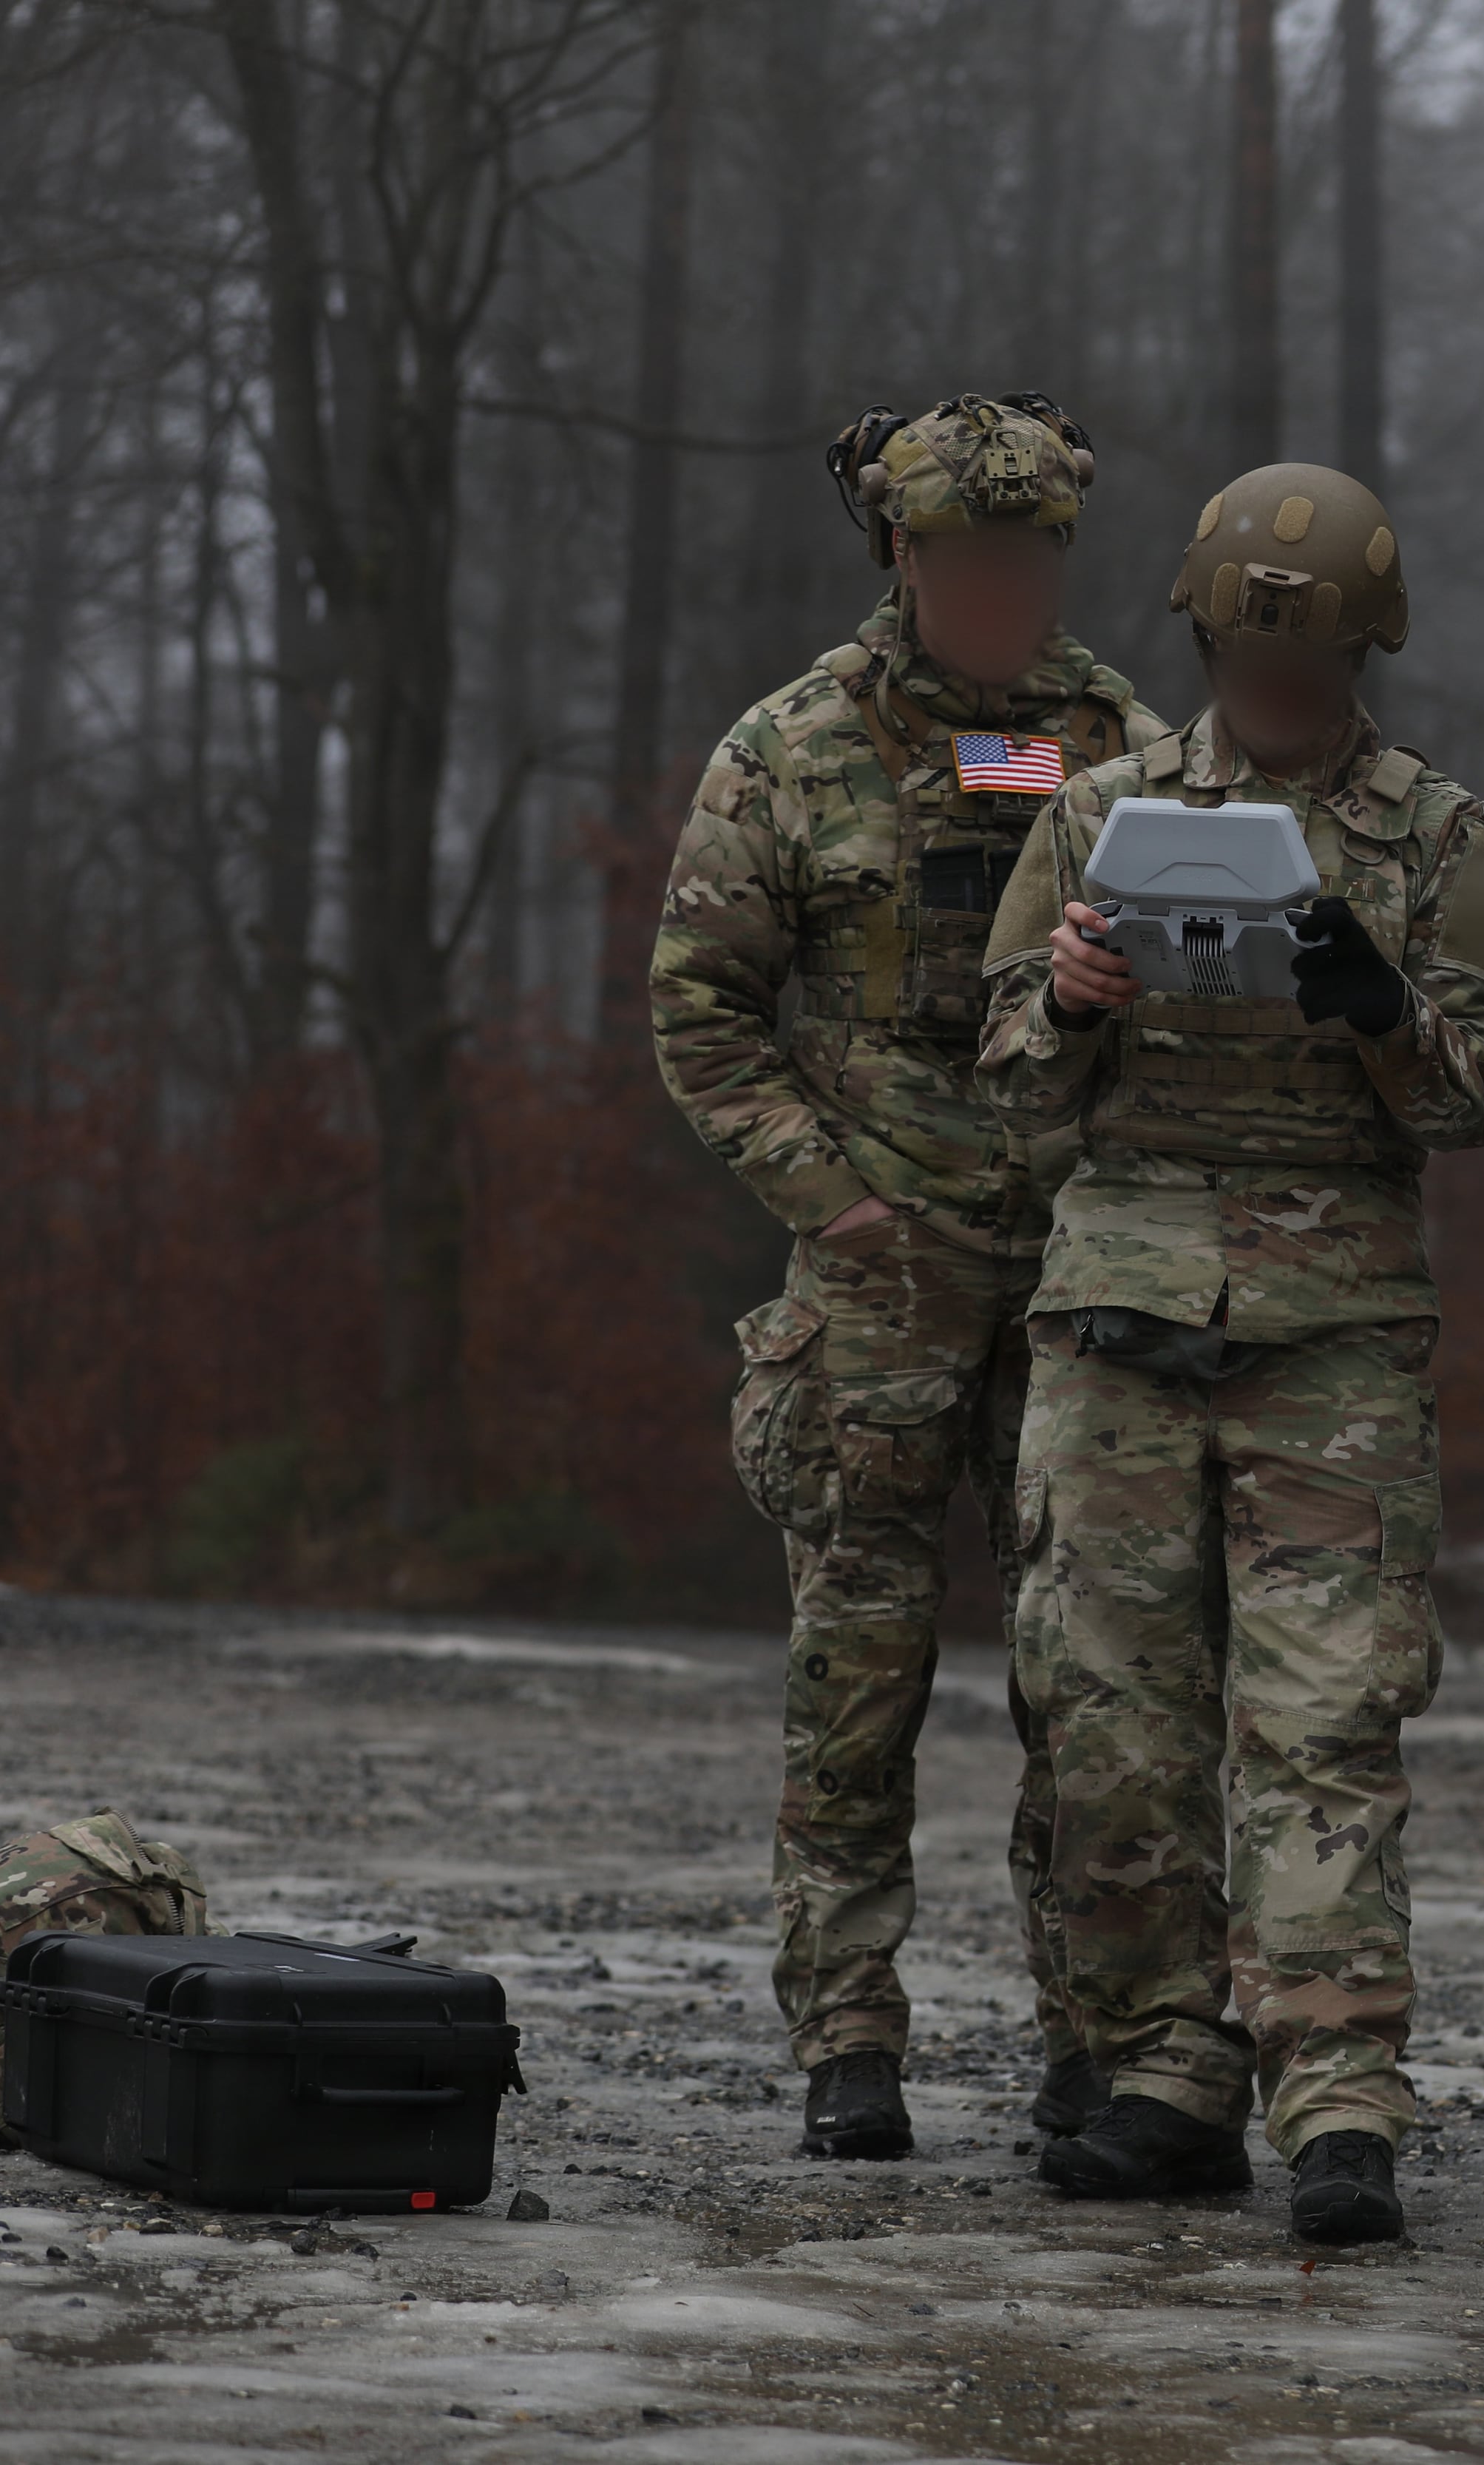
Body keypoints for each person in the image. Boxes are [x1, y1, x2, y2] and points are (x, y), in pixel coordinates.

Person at [975, 463, 1484, 2246]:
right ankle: (1164, 2069)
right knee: (1112, 1716)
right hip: (1118, 1311)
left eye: (1305, 663)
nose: (1274, 688)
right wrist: (1067, 1001)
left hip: (1333, 1332)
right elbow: (1003, 1077)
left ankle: (1340, 2093)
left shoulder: (1450, 839)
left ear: (1362, 653)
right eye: (1246, 657)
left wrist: (1381, 1012)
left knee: (1322, 1719)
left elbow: (1474, 1098)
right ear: (1207, 643)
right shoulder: (1094, 809)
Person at [651, 392, 1153, 2164]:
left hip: (1077, 1278)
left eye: (1030, 561)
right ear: (902, 556)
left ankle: (1095, 2036)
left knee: (1091, 1678)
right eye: (967, 563)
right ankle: (848, 2034)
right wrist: (836, 1202)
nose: (1002, 594)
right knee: (857, 1678)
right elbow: (700, 1010)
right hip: (878, 1282)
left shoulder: (1127, 746)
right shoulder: (793, 748)